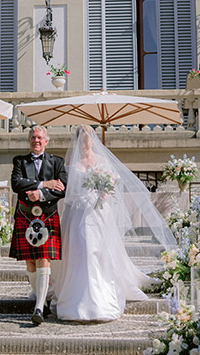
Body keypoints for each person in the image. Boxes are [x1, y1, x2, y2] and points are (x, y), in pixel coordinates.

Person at [50, 125, 176, 322]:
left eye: (87, 140)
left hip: (99, 212)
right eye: (81, 140)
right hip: (78, 213)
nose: (84, 144)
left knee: (98, 252)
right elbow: (69, 194)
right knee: (80, 252)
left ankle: (100, 296)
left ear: (92, 140)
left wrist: (104, 194)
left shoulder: (101, 161)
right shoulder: (70, 164)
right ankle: (78, 296)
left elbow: (113, 185)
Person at [9, 126, 67, 325]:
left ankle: (38, 308)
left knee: (43, 259)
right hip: (25, 215)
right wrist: (44, 184)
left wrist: (40, 195)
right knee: (30, 263)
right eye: (33, 137)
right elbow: (16, 184)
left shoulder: (57, 162)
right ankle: (41, 302)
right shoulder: (19, 161)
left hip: (48, 215)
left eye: (40, 137)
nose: (36, 140)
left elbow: (63, 189)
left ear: (46, 141)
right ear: (28, 140)